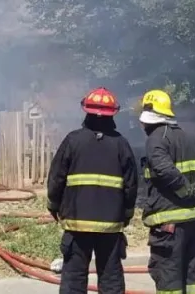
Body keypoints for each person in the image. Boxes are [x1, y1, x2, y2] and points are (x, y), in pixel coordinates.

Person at [47, 87, 138, 294]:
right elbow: (131, 185)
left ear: (86, 111)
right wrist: (126, 214)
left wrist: (54, 205)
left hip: (77, 224)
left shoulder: (73, 141)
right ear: (113, 115)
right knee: (110, 276)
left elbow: (56, 177)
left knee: (74, 276)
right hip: (110, 226)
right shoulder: (121, 144)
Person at [139, 89, 195, 294]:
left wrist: (185, 192)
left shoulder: (155, 139)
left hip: (169, 225)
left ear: (150, 119)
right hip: (194, 222)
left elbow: (163, 169)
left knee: (167, 276)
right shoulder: (188, 137)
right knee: (192, 275)